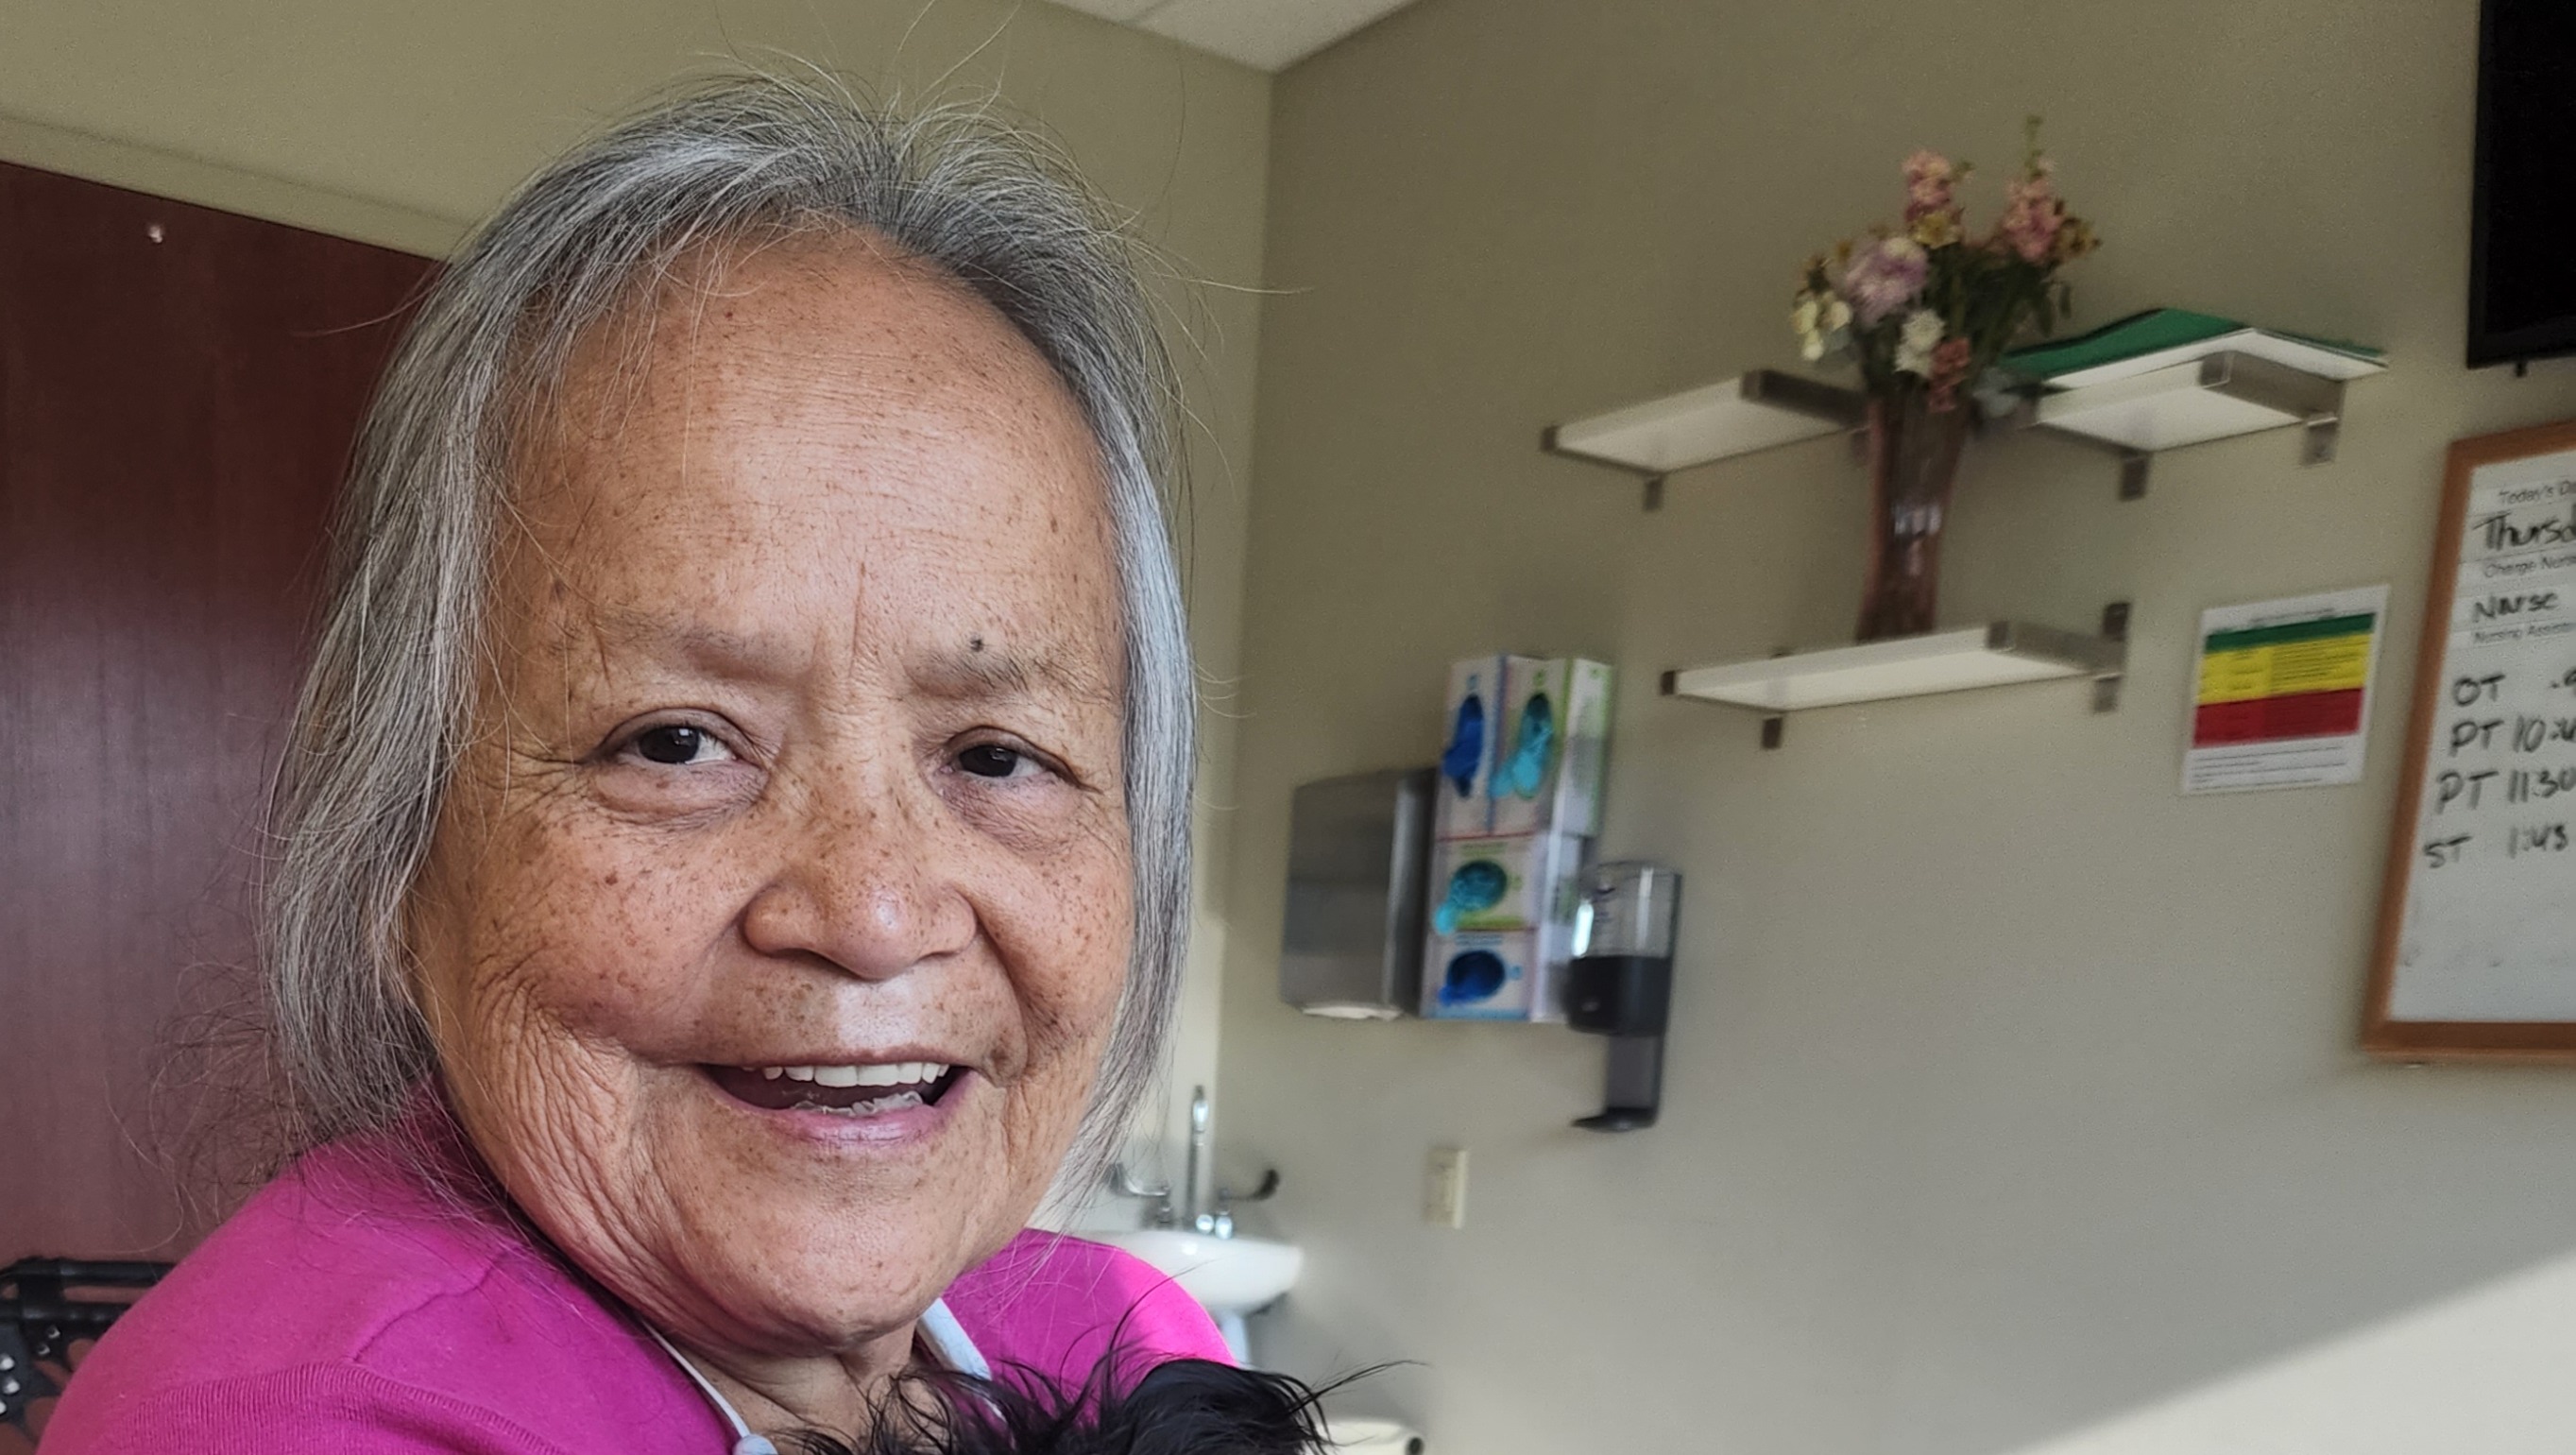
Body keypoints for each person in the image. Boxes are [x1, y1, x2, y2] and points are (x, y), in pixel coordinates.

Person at [44, 74, 1251, 1455]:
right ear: (399, 848)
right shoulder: (292, 1428)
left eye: (996, 755)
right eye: (675, 742)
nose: (873, 915)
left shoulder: (1122, 1345)